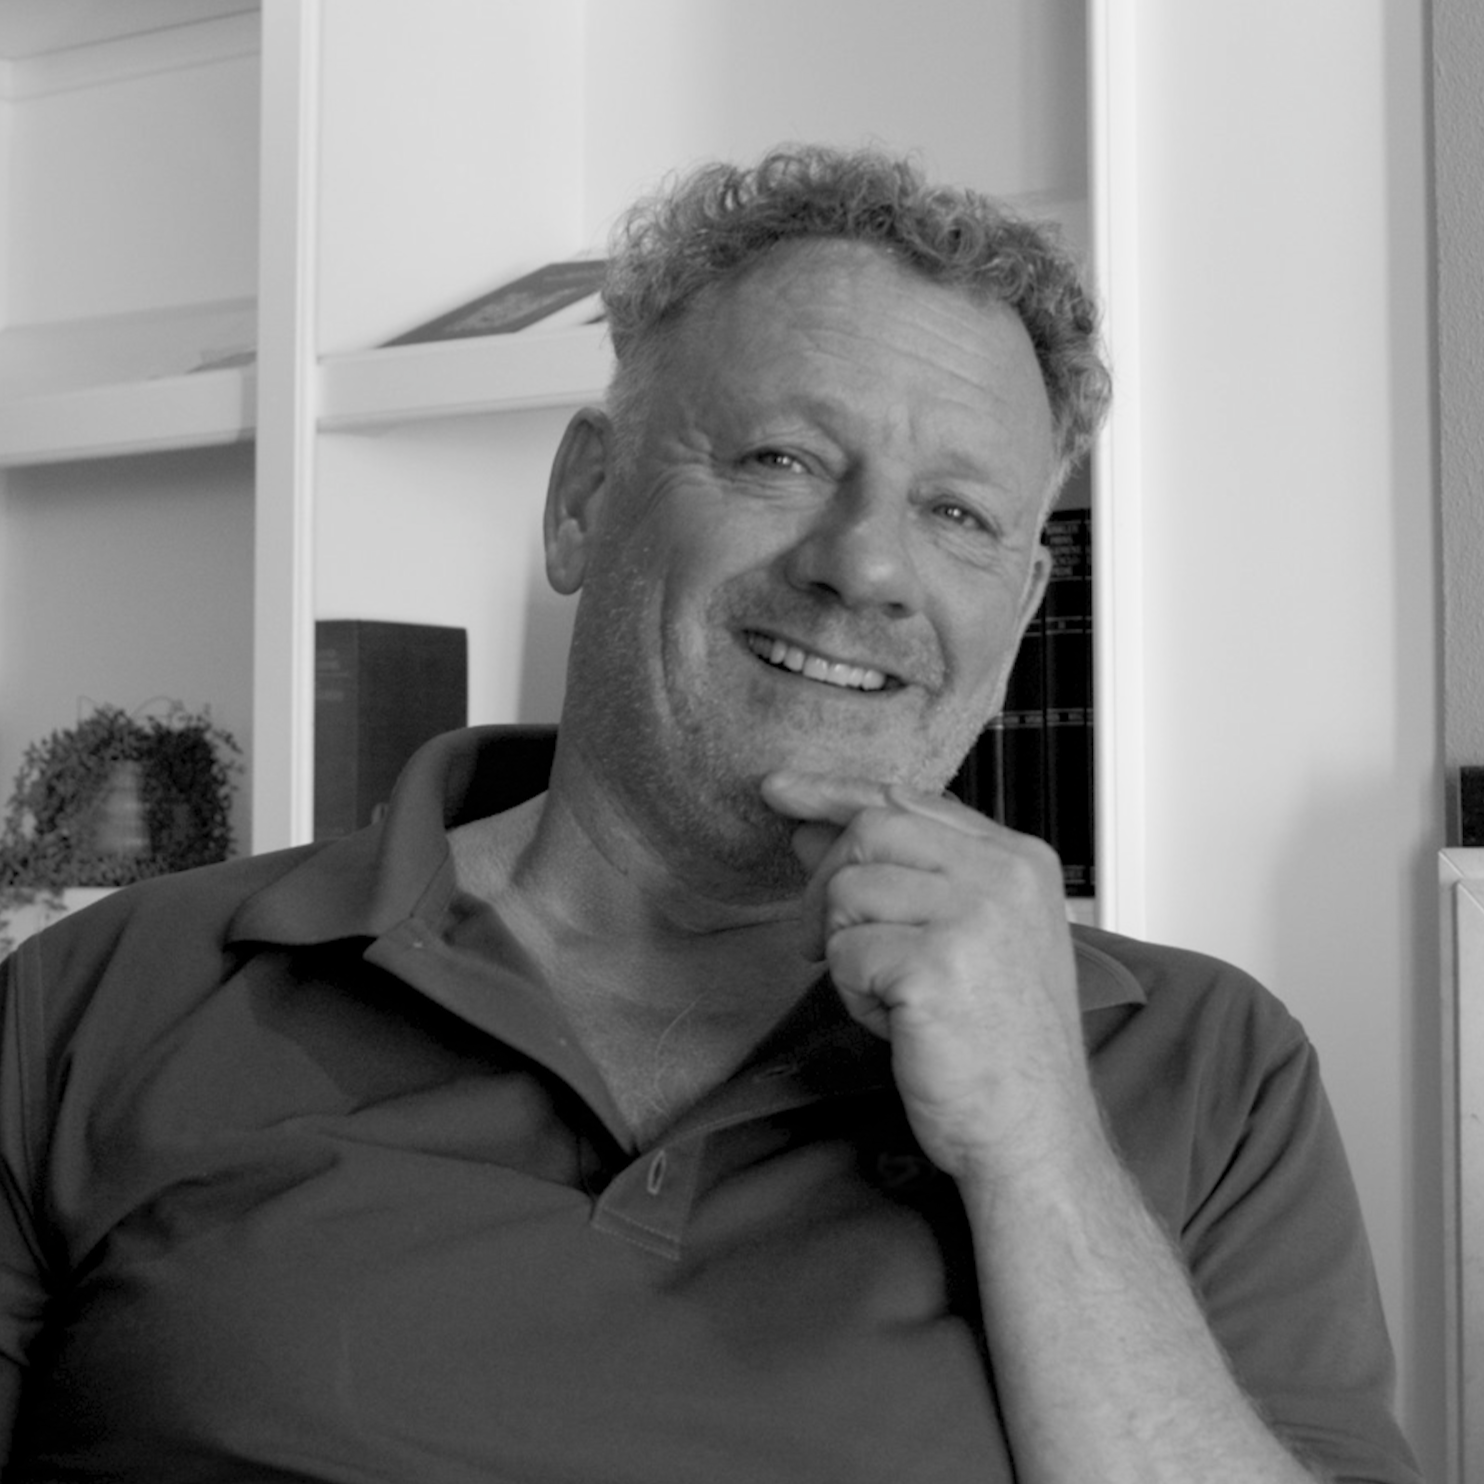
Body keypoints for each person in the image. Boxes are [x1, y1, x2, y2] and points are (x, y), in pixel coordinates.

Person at [0, 146, 1420, 1483]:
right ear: (581, 503)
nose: (865, 567)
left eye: (962, 515)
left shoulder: (1210, 1072)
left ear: (1021, 612)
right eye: (783, 460)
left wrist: (1039, 1148)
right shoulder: (99, 999)